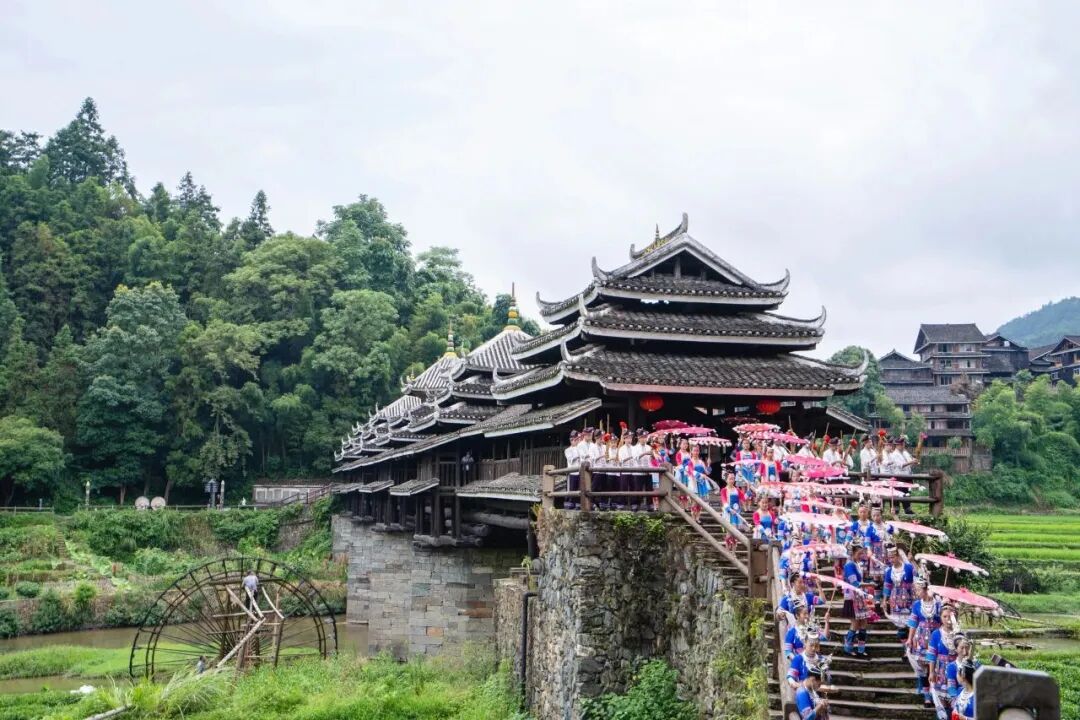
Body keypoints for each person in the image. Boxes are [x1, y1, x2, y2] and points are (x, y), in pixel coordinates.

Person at [907, 578, 941, 708]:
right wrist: (910, 639)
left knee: (933, 668)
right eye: (915, 590)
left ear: (925, 589)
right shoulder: (916, 605)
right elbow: (913, 623)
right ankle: (926, 696)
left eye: (918, 590)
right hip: (921, 639)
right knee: (922, 669)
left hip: (934, 639)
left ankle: (935, 694)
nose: (916, 592)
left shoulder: (937, 604)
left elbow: (943, 619)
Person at [841, 540, 873, 658]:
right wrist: (869, 585)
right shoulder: (849, 565)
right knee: (855, 623)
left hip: (859, 597)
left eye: (862, 553)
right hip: (852, 597)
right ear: (853, 553)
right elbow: (854, 583)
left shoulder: (856, 564)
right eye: (859, 553)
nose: (861, 556)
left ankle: (861, 649)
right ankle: (848, 646)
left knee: (864, 623)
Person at [883, 545, 915, 637]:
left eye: (893, 557)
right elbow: (887, 586)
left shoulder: (908, 567)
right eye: (889, 558)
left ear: (898, 556)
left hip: (909, 600)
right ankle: (905, 647)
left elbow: (918, 575)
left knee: (911, 624)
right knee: (900, 627)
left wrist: (912, 561)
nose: (891, 560)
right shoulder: (889, 571)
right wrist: (885, 600)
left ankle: (911, 647)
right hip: (895, 600)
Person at [565, 431, 581, 509]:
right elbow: (571, 459)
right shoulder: (568, 450)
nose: (574, 441)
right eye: (572, 440)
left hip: (580, 471)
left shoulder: (580, 448)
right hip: (572, 471)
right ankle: (570, 503)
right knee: (572, 488)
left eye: (576, 439)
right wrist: (577, 450)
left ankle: (578, 503)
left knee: (579, 487)